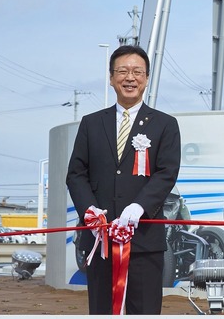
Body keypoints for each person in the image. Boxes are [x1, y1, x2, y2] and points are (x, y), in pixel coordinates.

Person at [66, 45, 181, 315]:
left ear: (147, 78)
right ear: (111, 78)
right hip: (100, 238)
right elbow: (76, 173)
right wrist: (89, 211)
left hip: (144, 239)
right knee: (103, 309)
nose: (130, 78)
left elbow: (167, 172)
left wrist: (140, 206)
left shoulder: (164, 124)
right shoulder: (91, 123)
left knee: (144, 309)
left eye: (137, 71)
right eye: (123, 71)